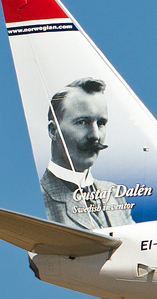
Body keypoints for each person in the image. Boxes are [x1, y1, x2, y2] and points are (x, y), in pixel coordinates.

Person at [39, 77, 136, 229]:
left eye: (101, 123)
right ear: (53, 131)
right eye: (82, 122)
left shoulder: (113, 194)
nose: (95, 135)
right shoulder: (42, 199)